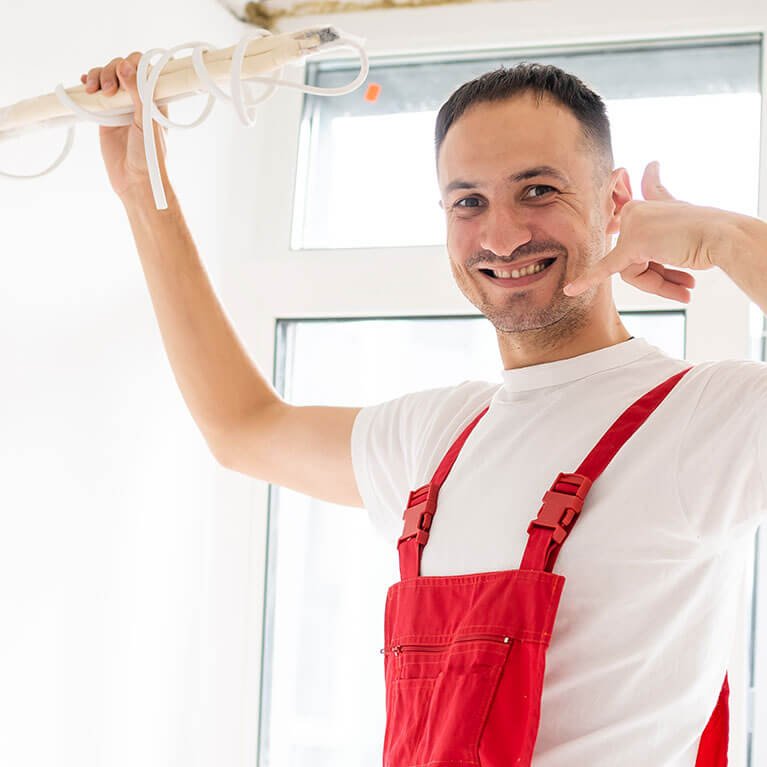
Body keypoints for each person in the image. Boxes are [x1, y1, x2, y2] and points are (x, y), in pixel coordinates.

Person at [82, 52, 767, 766]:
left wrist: (725, 238)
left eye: (537, 190)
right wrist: (144, 193)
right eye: (468, 202)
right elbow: (242, 427)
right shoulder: (436, 440)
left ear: (614, 201)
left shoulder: (704, 419)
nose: (501, 236)